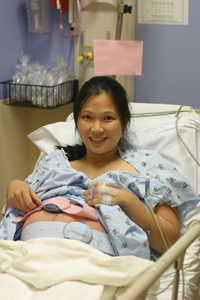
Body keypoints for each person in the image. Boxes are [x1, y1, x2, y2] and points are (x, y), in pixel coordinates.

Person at [1, 76, 198, 259]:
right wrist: (16, 188)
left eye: (108, 118)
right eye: (87, 117)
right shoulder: (54, 162)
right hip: (27, 256)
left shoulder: (147, 167)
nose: (96, 129)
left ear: (125, 122)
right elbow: (14, 215)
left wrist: (129, 201)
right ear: (77, 121)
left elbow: (169, 243)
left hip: (95, 264)